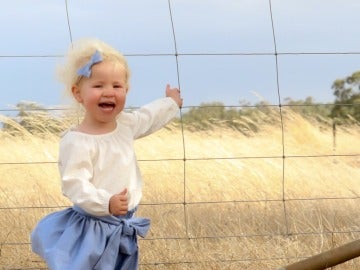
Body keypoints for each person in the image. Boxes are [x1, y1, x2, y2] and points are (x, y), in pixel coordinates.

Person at [30, 38, 183, 270]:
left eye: (117, 86)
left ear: (126, 90)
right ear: (78, 93)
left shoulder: (126, 125)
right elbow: (74, 183)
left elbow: (148, 117)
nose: (108, 92)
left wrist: (171, 103)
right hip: (94, 225)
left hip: (124, 222)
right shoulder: (77, 141)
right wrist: (105, 202)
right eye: (98, 86)